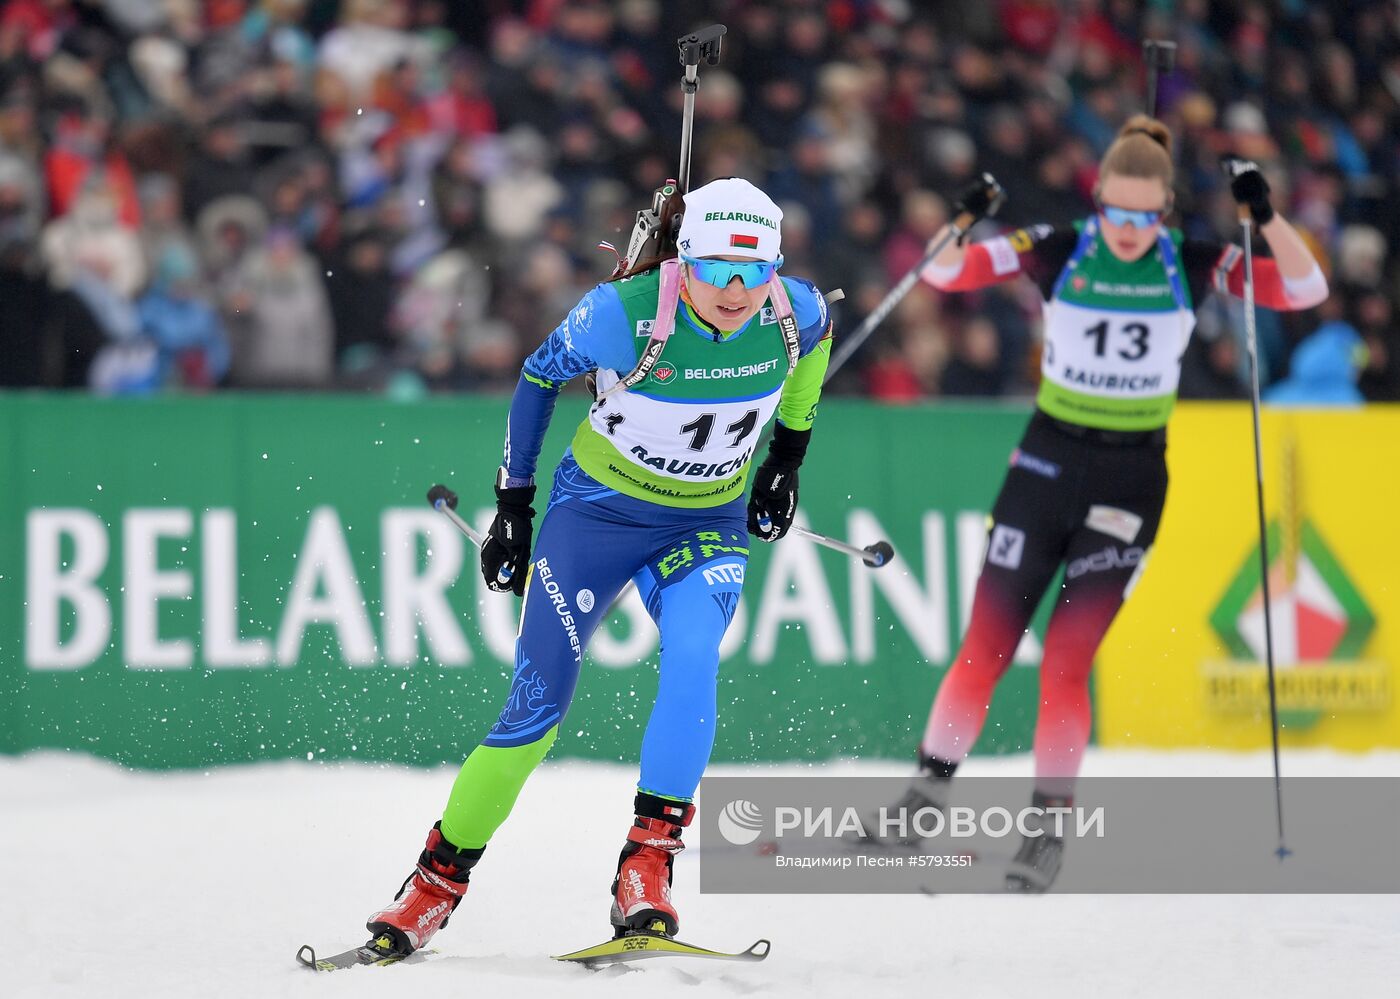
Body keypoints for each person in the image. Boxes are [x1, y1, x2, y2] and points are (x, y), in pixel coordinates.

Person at [362, 177, 833, 955]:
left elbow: (816, 347)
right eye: (717, 271)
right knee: (536, 709)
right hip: (598, 518)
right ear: (687, 259)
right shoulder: (624, 314)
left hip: (706, 520)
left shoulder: (796, 310)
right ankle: (434, 885)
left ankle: (646, 866)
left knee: (692, 662)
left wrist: (788, 454)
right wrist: (514, 503)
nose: (737, 292)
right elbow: (538, 375)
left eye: (756, 273)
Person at [875, 116, 1327, 891]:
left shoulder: (1190, 260)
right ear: (1098, 202)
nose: (1126, 230)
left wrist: (1265, 215)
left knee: (1065, 663)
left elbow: (1306, 287)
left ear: (1166, 211)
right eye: (1115, 213)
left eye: (1143, 217)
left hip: (1130, 480)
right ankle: (923, 797)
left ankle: (1047, 830)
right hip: (1047, 461)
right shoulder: (1061, 246)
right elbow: (944, 274)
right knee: (984, 648)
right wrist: (963, 216)